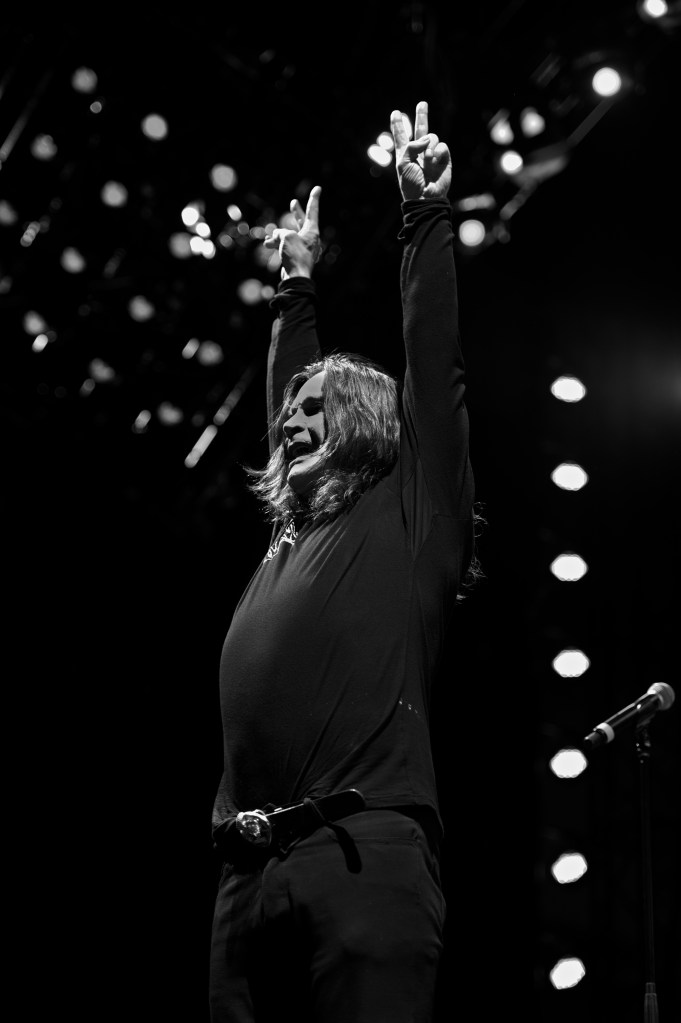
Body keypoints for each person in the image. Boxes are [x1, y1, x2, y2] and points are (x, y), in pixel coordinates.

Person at [209, 100, 476, 1023]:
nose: (291, 420)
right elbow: (286, 395)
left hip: (361, 855)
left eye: (318, 405)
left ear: (366, 423)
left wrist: (425, 216)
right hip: (245, 878)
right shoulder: (289, 537)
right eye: (288, 412)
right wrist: (293, 286)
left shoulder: (410, 517)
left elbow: (434, 369)